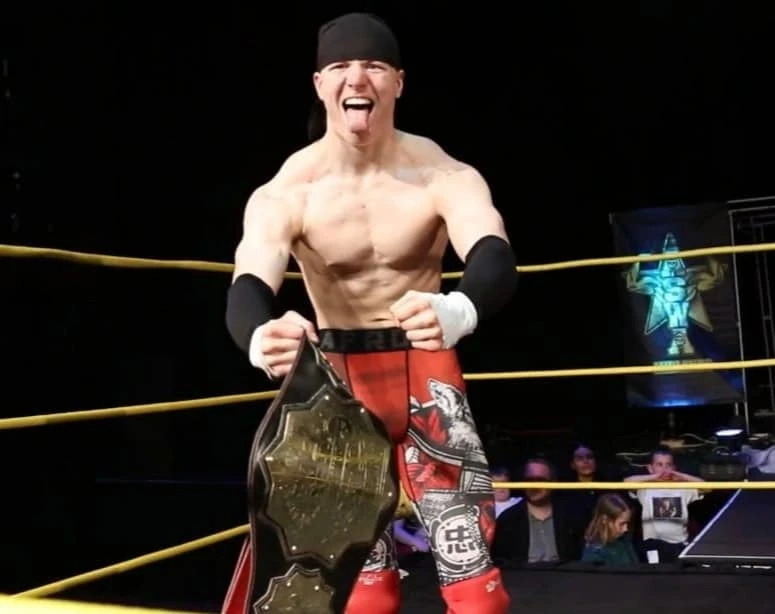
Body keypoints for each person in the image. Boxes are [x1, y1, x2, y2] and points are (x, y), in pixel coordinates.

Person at [221, 12, 517, 614]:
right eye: (340, 66)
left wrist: (461, 306)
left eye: (374, 66)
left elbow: (493, 251)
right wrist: (258, 335)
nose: (357, 78)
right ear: (320, 84)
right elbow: (249, 277)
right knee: (361, 586)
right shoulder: (288, 191)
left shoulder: (440, 174)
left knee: (475, 587)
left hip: (427, 377)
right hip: (336, 390)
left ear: (398, 82)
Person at [581, 494, 639, 566]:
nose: (626, 529)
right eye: (622, 524)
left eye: (627, 523)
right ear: (605, 520)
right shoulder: (594, 554)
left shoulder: (625, 543)